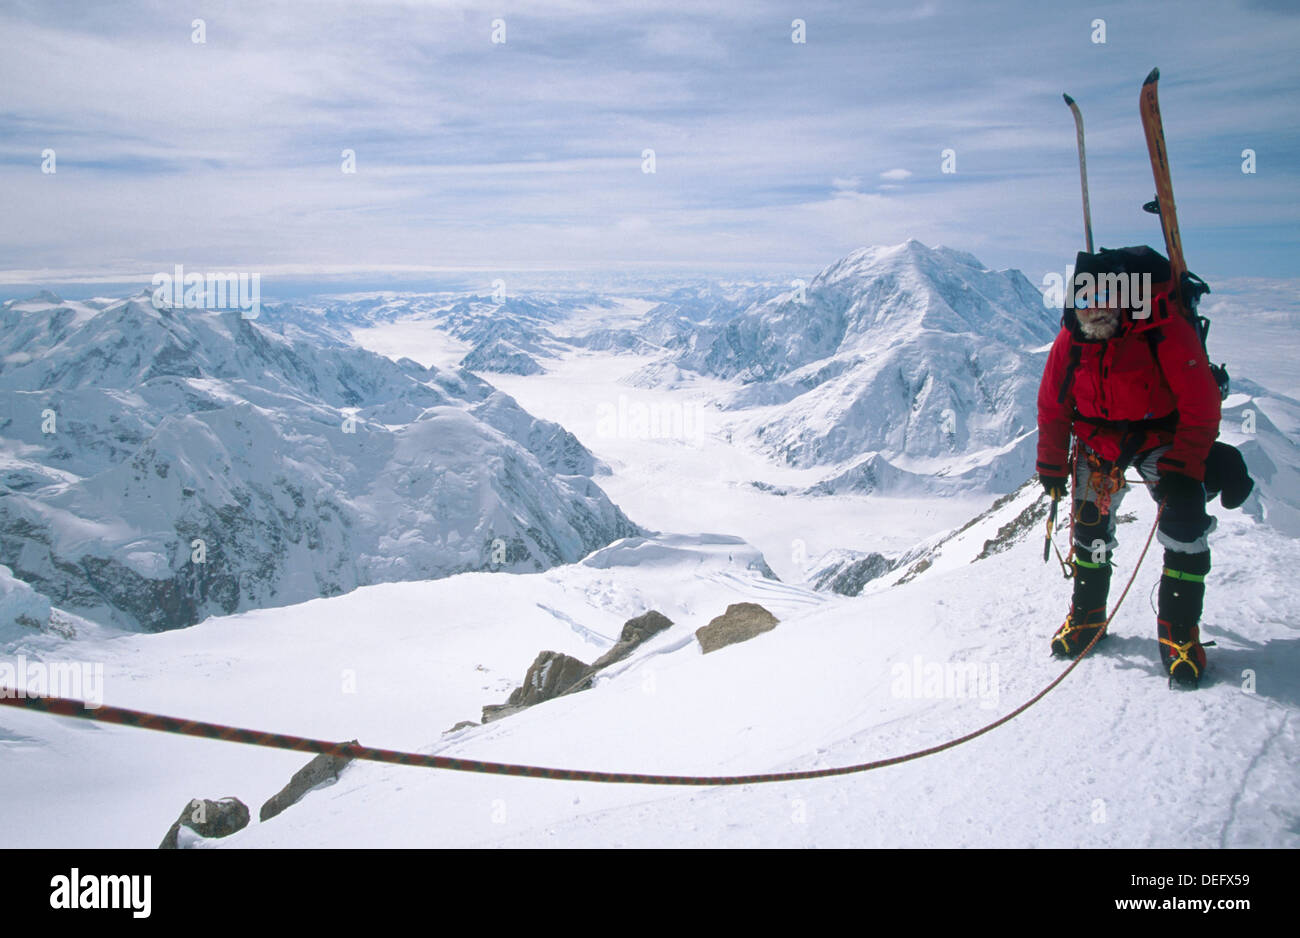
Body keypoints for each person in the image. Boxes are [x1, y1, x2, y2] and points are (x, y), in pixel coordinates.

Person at [1036, 248, 1223, 687]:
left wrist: (1185, 465)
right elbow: (1053, 405)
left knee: (1185, 524)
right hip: (1100, 441)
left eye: (1103, 297)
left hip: (1162, 436)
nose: (1094, 309)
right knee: (1089, 528)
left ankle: (1178, 630)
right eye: (1085, 299)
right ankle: (1088, 616)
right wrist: (1050, 462)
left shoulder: (1163, 329)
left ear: (1125, 297)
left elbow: (1201, 402)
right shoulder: (1073, 338)